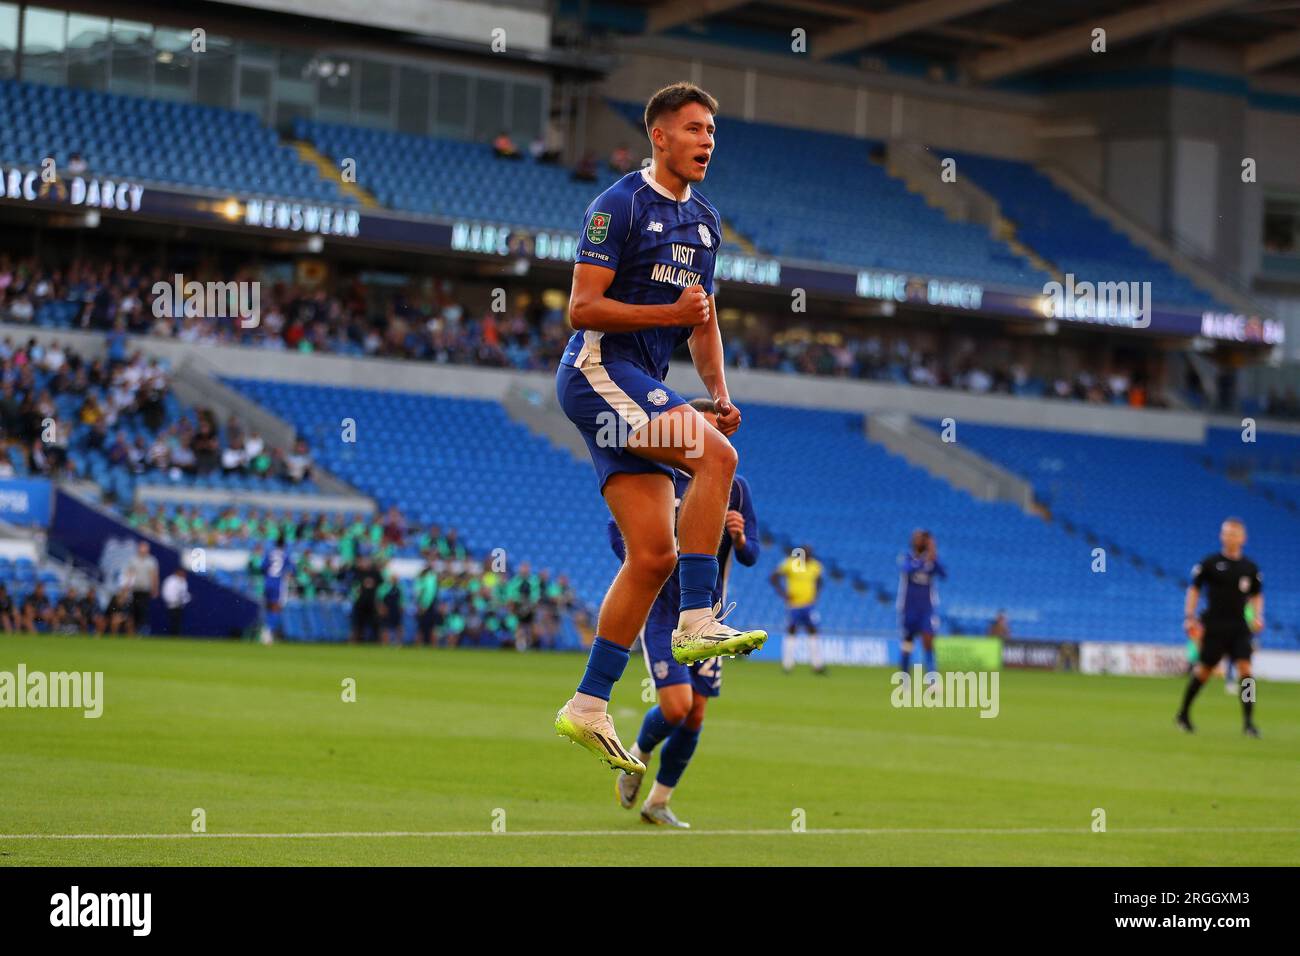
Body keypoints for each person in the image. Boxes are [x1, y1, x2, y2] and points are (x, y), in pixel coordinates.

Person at [552, 82, 766, 775]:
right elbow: (582, 310)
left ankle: (587, 703)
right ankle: (698, 619)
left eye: (713, 131)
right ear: (661, 136)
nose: (707, 141)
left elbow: (701, 316)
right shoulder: (617, 206)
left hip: (635, 387)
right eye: (695, 128)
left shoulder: (704, 221)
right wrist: (667, 315)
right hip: (596, 375)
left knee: (652, 556)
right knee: (718, 461)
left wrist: (718, 391)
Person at [612, 398, 760, 827]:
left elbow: (751, 555)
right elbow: (616, 532)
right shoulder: (656, 475)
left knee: (696, 712)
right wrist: (654, 553)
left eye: (720, 432)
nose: (713, 438)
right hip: (663, 612)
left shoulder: (734, 486)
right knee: (676, 707)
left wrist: (742, 537)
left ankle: (658, 801)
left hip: (707, 616)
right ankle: (637, 755)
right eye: (706, 429)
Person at [1176, 518, 1263, 737]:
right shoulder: (1210, 563)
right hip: (1214, 625)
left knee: (1246, 671)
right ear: (1221, 536)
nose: (1229, 537)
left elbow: (1256, 595)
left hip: (1239, 627)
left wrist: (1257, 616)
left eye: (1234, 533)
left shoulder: (1250, 568)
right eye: (1226, 533)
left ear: (1243, 538)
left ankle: (1249, 722)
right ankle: (1183, 713)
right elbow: (1194, 589)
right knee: (1204, 672)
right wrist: (1189, 616)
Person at [898, 530, 946, 683]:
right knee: (907, 643)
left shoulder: (932, 561)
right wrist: (924, 562)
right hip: (908, 607)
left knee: (928, 642)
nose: (918, 540)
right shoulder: (907, 557)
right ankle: (904, 679)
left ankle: (932, 681)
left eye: (922, 539)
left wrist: (934, 556)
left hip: (926, 609)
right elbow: (908, 569)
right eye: (916, 538)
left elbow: (944, 574)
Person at [771, 544, 825, 674]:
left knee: (813, 631)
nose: (807, 554)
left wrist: (816, 595)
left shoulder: (815, 566)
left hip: (809, 605)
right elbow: (774, 577)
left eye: (809, 552)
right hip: (794, 605)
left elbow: (820, 581)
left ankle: (817, 665)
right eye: (805, 552)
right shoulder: (791, 564)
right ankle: (787, 665)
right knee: (792, 631)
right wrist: (783, 594)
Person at [123, 540, 159, 636]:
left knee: (143, 610)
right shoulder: (133, 560)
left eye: (145, 548)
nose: (143, 550)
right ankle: (133, 631)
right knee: (134, 610)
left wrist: (155, 588)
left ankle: (141, 630)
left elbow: (154, 576)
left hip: (145, 589)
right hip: (135, 589)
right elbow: (129, 575)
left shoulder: (151, 561)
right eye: (141, 547)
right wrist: (126, 588)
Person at [161, 567, 190, 636]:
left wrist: (186, 599)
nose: (183, 574)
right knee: (172, 621)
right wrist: (172, 601)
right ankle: (172, 635)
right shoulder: (170, 580)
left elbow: (184, 594)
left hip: (180, 605)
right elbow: (166, 592)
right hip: (171, 605)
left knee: (178, 621)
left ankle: (176, 635)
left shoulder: (183, 581)